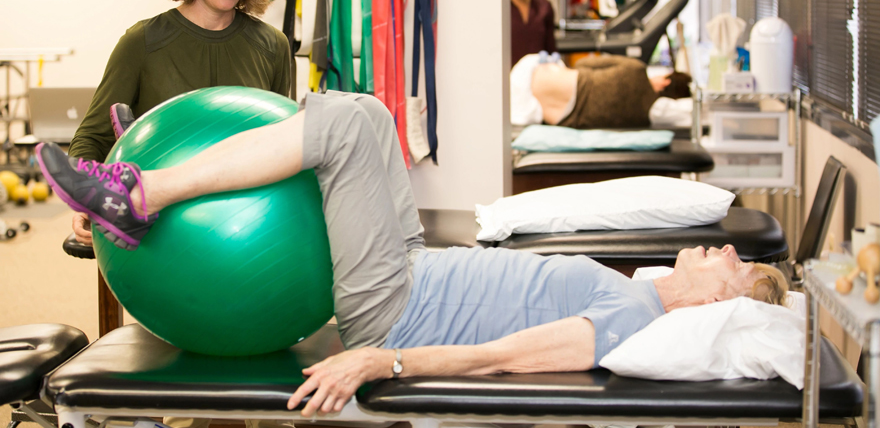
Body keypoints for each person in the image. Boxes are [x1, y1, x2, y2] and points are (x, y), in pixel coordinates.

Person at [37, 91, 787, 417]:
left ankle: (144, 194)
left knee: (346, 132)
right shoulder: (642, 292)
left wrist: (381, 362)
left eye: (730, 260)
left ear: (724, 300)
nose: (719, 246)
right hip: (415, 265)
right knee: (368, 112)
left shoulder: (630, 320)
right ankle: (174, 166)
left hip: (395, 312)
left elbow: (504, 358)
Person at [66, 0, 290, 246]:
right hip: (162, 226)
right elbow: (93, 137)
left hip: (249, 227)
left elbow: (284, 144)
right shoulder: (142, 42)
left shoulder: (272, 46)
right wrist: (83, 197)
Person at [510, 52, 693, 128]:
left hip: (549, 81)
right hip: (565, 118)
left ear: (665, 82)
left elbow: (583, 63)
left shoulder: (636, 69)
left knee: (538, 61)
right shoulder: (644, 118)